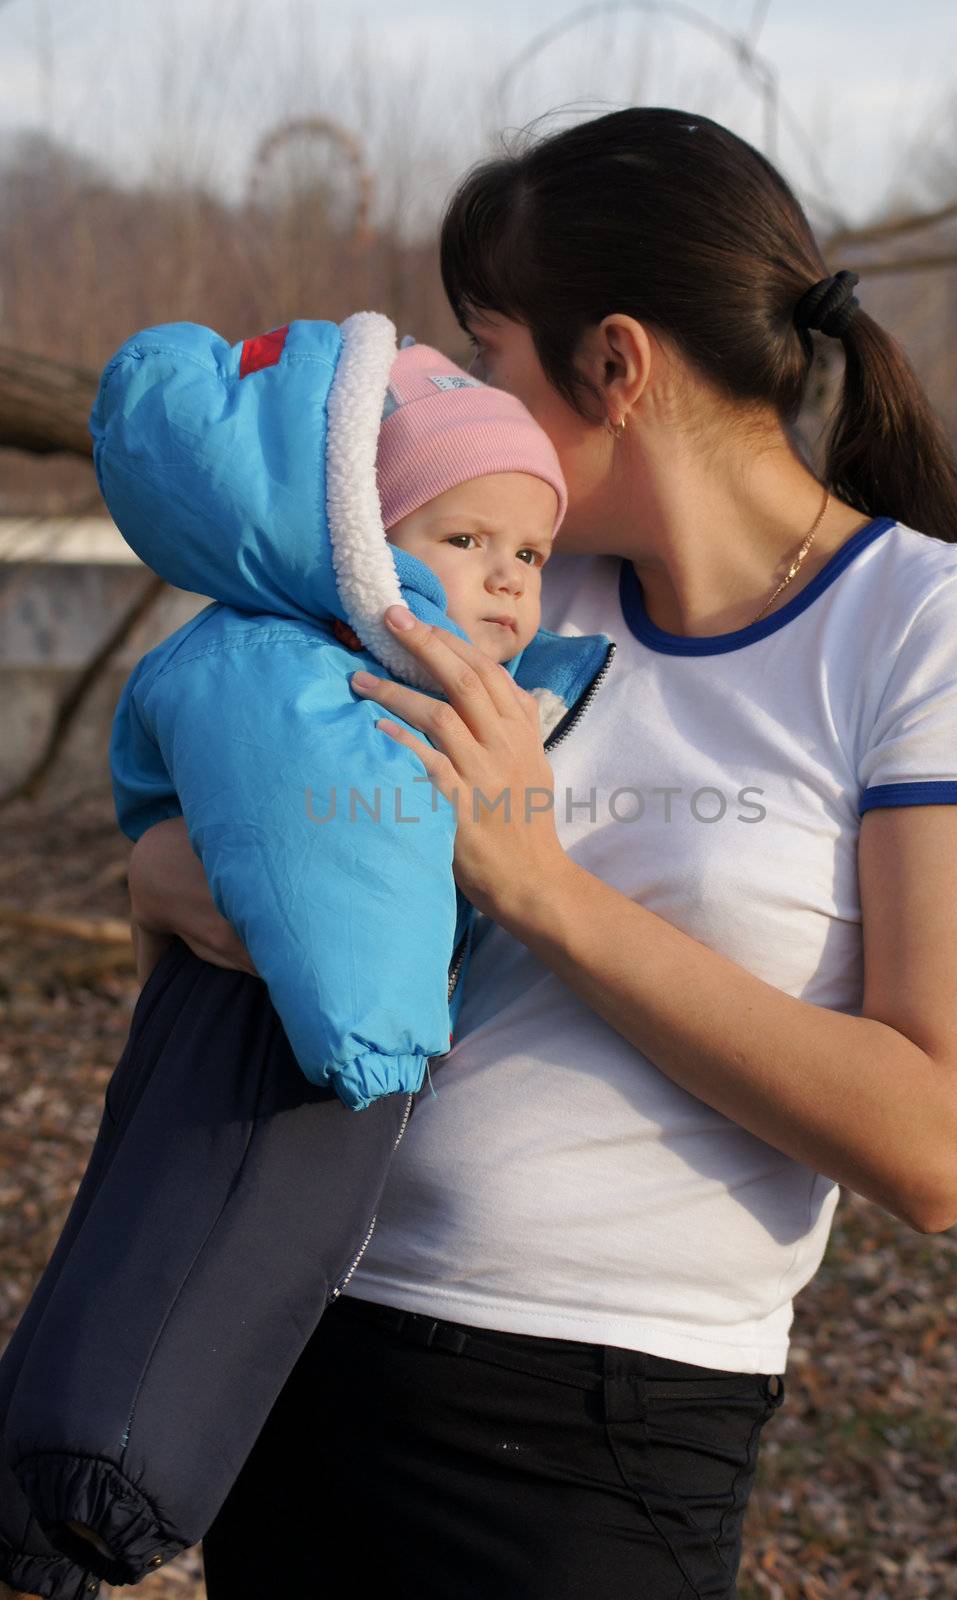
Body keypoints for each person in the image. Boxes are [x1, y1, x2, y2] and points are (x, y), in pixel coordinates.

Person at [61, 106, 957, 1599]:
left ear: (615, 363)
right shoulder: (500, 585)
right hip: (295, 1342)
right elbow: (250, 764)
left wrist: (538, 886)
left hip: (595, 1434)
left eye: (487, 352)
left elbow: (931, 1146)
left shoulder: (928, 627)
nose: (460, 400)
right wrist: (161, 874)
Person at [0, 318, 616, 1596]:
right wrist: (388, 1026)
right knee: (200, 1247)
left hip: (317, 1052)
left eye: (529, 552)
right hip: (293, 1038)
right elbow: (334, 854)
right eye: (463, 541)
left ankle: (49, 1499)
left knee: (205, 1258)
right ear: (364, 538)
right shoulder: (293, 663)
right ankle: (88, 1492)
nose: (506, 579)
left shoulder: (394, 672)